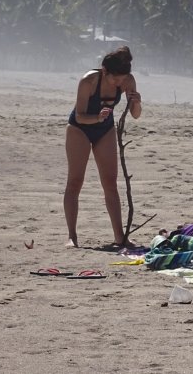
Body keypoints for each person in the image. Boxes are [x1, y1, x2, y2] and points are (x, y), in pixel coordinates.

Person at [64, 46, 142, 248]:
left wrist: (136, 102)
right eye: (115, 79)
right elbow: (80, 115)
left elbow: (136, 114)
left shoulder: (128, 80)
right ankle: (72, 237)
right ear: (104, 71)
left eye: (122, 79)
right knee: (75, 181)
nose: (119, 83)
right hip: (79, 129)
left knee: (110, 182)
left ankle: (119, 236)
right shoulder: (88, 81)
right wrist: (97, 117)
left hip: (105, 130)